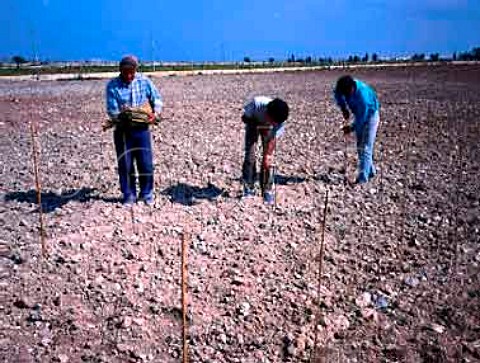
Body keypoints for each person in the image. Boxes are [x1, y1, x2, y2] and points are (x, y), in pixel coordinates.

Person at [105, 55, 163, 205]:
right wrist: (122, 115)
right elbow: (112, 110)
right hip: (123, 131)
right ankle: (129, 195)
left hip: (142, 129)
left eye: (132, 72)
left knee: (145, 163)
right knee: (125, 163)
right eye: (126, 72)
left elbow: (156, 99)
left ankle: (146, 193)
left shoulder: (144, 81)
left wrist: (154, 114)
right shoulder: (113, 86)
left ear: (136, 70)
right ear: (120, 70)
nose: (129, 76)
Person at [241, 96, 289, 205]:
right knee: (250, 157)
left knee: (268, 161)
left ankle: (267, 190)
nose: (273, 123)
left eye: (275, 123)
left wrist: (268, 155)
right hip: (253, 123)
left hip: (268, 131)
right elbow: (244, 118)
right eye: (272, 120)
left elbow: (273, 138)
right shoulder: (257, 103)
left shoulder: (280, 119)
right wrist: (257, 125)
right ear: (267, 112)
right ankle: (249, 188)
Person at [334, 75, 380, 184]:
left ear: (352, 88)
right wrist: (343, 108)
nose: (347, 96)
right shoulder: (341, 88)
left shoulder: (362, 96)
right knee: (360, 146)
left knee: (365, 147)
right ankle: (370, 171)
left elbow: (361, 119)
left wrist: (351, 128)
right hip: (359, 114)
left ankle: (363, 179)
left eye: (348, 93)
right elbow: (337, 95)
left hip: (370, 116)